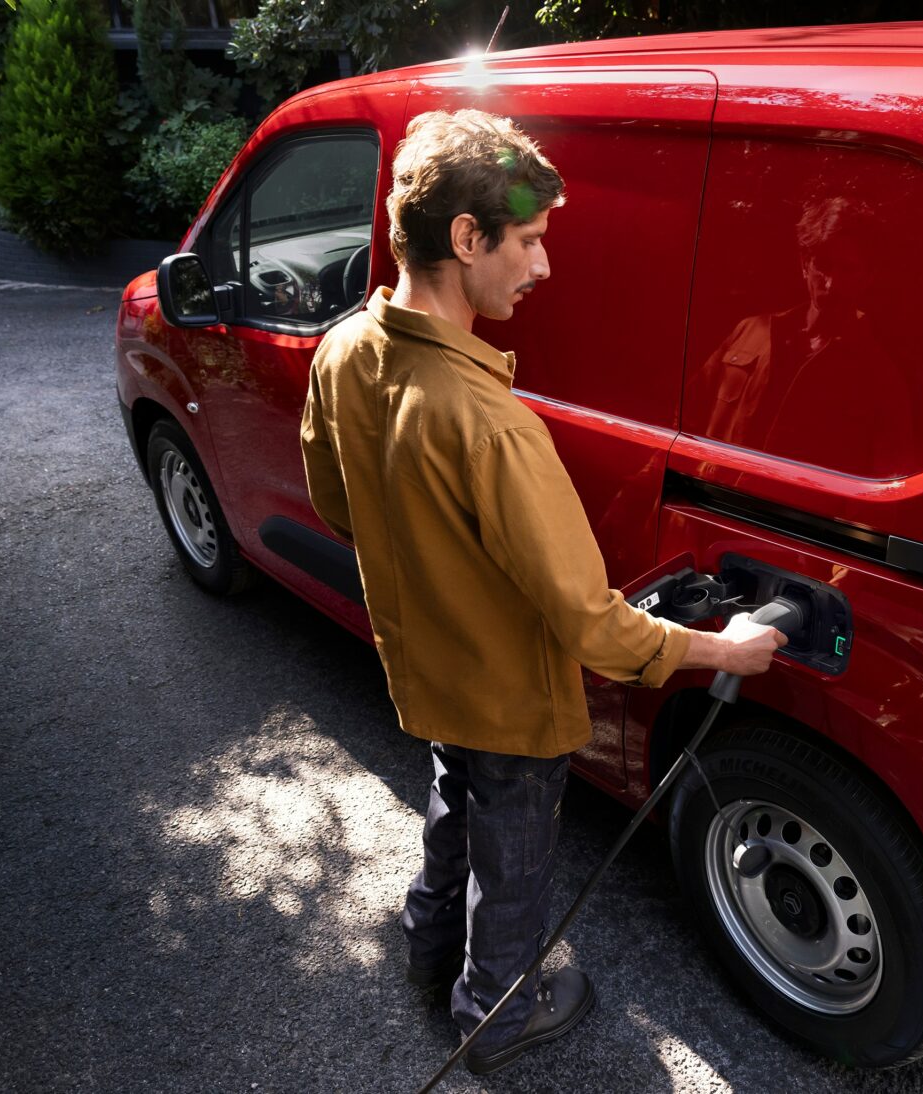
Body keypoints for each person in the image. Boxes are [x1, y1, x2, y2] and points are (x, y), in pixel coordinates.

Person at [298, 109, 785, 1075]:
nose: (543, 265)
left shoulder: (343, 351)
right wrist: (726, 651)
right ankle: (495, 1011)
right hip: (513, 706)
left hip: (427, 674)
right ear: (466, 238)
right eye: (527, 241)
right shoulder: (493, 428)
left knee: (451, 800)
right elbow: (593, 630)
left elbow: (339, 507)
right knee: (513, 857)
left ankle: (428, 945)